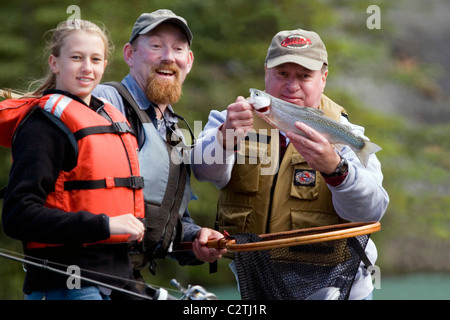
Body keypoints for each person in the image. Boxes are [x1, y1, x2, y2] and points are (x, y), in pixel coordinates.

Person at [191, 29, 389, 300]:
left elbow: (373, 210)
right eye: (282, 73)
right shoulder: (233, 117)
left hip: (339, 290)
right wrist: (225, 140)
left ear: (323, 78)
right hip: (260, 287)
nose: (291, 85)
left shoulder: (345, 133)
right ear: (266, 74)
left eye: (304, 76)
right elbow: (201, 171)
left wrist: (337, 170)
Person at [1, 19, 146, 300]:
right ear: (54, 63)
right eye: (76, 58)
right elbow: (17, 216)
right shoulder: (43, 127)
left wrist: (190, 240)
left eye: (95, 59)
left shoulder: (109, 118)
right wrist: (104, 225)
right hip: (67, 285)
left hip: (119, 279)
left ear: (105, 65)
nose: (87, 68)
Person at [93, 9, 226, 279]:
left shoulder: (173, 129)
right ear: (130, 54)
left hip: (129, 276)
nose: (168, 57)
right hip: (90, 274)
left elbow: (168, 218)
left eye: (178, 49)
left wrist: (196, 238)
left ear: (188, 61)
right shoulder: (105, 101)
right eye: (155, 46)